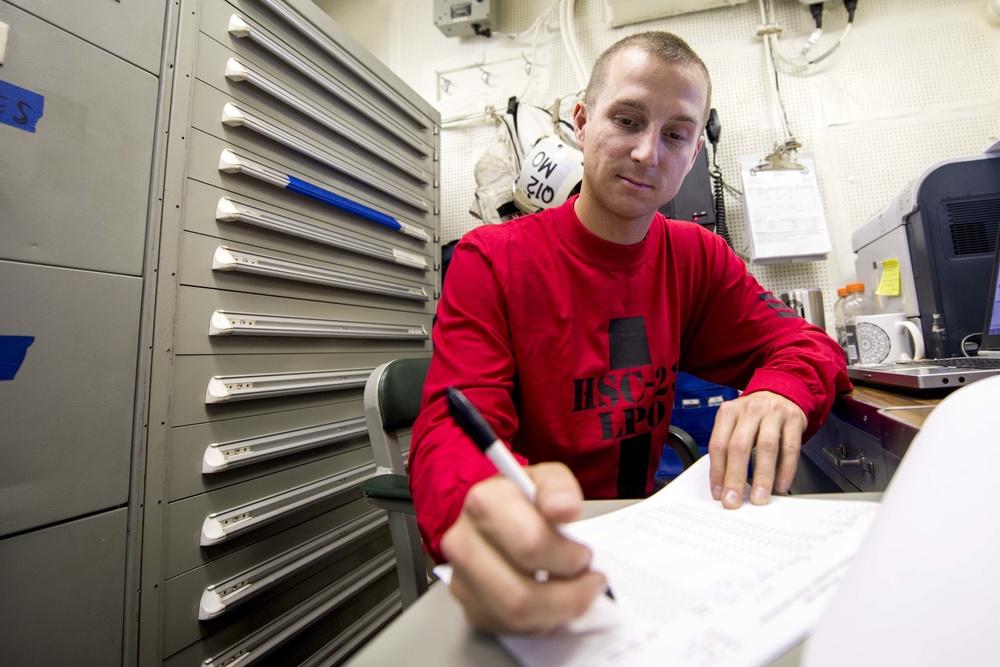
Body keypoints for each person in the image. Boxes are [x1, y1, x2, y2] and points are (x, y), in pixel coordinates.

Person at [408, 31, 851, 634]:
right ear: (582, 123)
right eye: (627, 119)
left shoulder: (698, 258)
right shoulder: (494, 259)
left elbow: (806, 346)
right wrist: (480, 518)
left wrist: (782, 389)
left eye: (675, 134)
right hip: (541, 548)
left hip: (647, 548)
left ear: (695, 151)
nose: (648, 153)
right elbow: (450, 431)